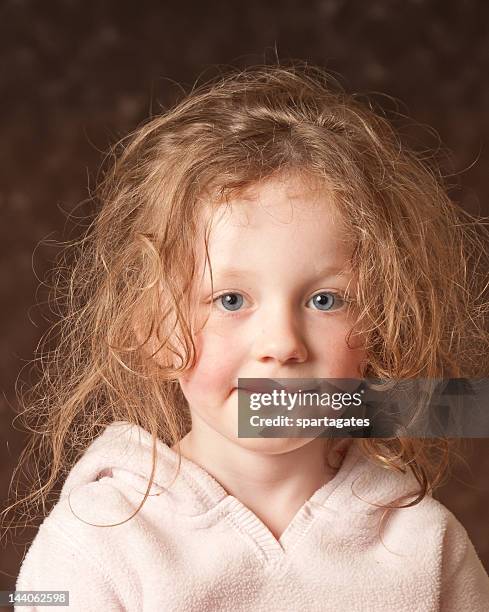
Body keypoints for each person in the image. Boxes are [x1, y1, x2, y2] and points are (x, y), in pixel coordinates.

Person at [5, 63, 489, 611]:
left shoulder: (426, 545)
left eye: (325, 300)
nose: (282, 343)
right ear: (152, 329)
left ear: (381, 326)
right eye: (230, 300)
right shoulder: (97, 542)